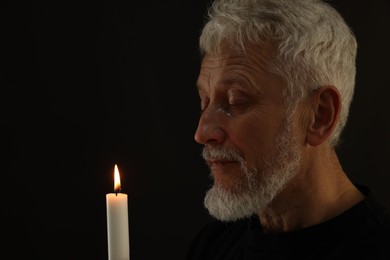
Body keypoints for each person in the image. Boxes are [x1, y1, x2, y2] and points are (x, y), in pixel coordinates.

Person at [186, 0, 390, 259]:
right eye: (204, 102)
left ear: (319, 116)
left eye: (236, 101)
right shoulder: (212, 245)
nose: (202, 133)